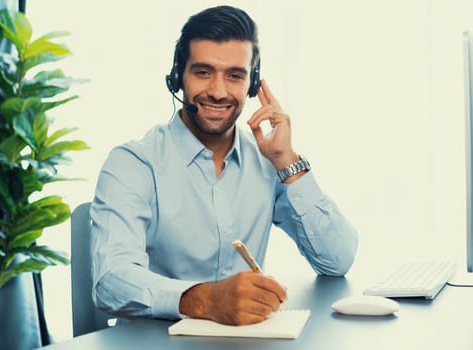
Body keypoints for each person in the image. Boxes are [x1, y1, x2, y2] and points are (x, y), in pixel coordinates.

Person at [90, 5, 358, 326]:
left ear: (252, 83)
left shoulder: (267, 161)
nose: (218, 92)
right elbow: (111, 280)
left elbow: (337, 259)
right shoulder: (133, 163)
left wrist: (287, 162)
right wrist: (208, 299)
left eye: (235, 76)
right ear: (178, 77)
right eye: (203, 72)